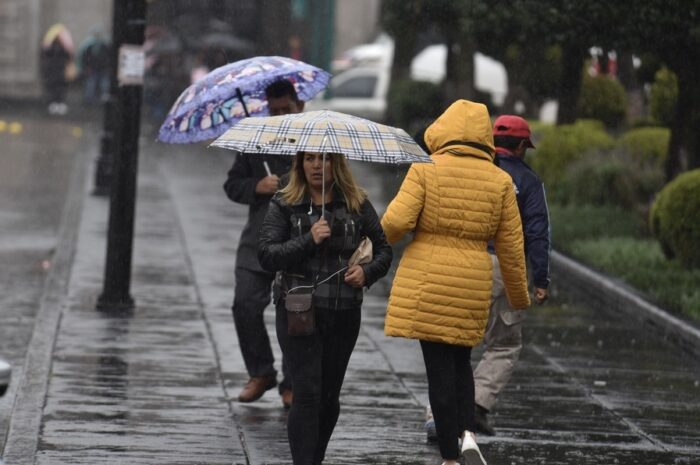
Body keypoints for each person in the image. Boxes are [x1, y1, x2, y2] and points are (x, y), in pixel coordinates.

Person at [381, 100, 531, 465]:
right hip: (472, 281)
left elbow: (395, 223)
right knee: (462, 361)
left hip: (427, 280)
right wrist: (518, 296)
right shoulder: (500, 181)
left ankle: (450, 456)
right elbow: (512, 247)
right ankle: (468, 435)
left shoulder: (425, 169)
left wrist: (373, 241)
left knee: (437, 370)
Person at [258, 151, 392, 465]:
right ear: (300, 164)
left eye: (325, 159)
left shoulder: (357, 203)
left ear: (337, 164)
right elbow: (267, 255)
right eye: (310, 159)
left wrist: (367, 272)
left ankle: (314, 458)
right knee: (306, 392)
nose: (317, 165)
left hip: (343, 312)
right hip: (298, 311)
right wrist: (309, 239)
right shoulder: (284, 203)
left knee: (329, 397)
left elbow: (384, 249)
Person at [423, 115, 551, 442]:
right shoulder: (529, 181)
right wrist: (540, 278)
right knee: (504, 344)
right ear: (523, 146)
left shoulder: (473, 170)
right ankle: (477, 403)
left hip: (464, 263)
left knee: (453, 342)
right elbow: (537, 231)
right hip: (505, 267)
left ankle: (437, 415)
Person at [223, 79, 304, 408]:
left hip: (298, 240)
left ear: (299, 105)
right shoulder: (254, 140)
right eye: (274, 110)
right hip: (257, 239)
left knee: (296, 315)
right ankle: (261, 371)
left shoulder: (313, 140)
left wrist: (289, 185)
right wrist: (258, 185)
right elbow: (232, 185)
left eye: (286, 108)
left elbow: (331, 184)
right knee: (244, 304)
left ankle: (293, 382)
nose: (280, 114)